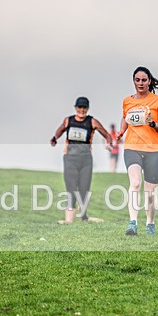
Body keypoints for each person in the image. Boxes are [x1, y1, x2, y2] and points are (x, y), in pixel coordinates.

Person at [116, 66, 158, 235]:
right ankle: (132, 223)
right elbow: (125, 118)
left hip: (153, 150)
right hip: (132, 147)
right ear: (133, 81)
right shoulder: (127, 101)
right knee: (135, 183)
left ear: (149, 81)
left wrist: (152, 123)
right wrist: (121, 132)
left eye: (144, 80)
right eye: (137, 80)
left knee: (150, 193)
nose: (140, 83)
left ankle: (150, 223)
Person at [50, 96, 111, 224]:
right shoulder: (68, 121)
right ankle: (69, 220)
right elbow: (60, 130)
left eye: (84, 107)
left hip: (86, 160)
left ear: (87, 108)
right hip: (70, 159)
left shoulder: (92, 122)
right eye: (79, 107)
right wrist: (55, 138)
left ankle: (83, 215)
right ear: (75, 107)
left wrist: (109, 143)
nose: (82, 110)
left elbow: (106, 134)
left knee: (84, 188)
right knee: (71, 188)